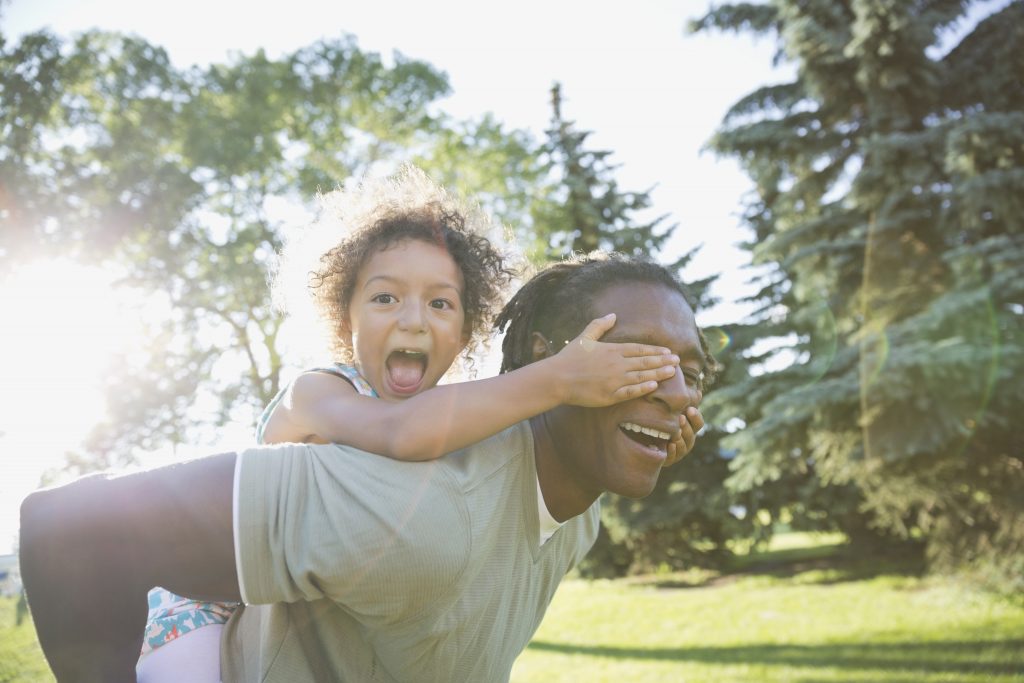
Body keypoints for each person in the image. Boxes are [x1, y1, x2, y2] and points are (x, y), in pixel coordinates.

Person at [20, 251, 715, 683]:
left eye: (690, 371)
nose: (677, 390)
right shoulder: (414, 506)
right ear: (548, 362)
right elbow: (69, 529)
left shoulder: (577, 505)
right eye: (638, 359)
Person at [136, 168, 684, 682]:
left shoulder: (447, 417)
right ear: (343, 315)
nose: (413, 319)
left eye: (441, 304)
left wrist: (649, 438)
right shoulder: (319, 392)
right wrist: (557, 379)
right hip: (199, 604)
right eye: (384, 297)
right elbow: (399, 432)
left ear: (467, 331)